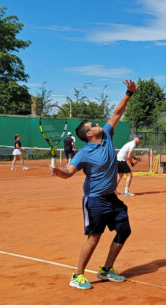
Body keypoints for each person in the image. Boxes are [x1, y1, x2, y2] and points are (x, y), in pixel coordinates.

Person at [49, 80, 139, 290]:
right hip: (95, 200)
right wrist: (58, 171)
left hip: (111, 198)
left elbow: (117, 114)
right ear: (88, 134)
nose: (99, 125)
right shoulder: (84, 153)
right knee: (94, 238)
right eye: (93, 126)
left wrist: (129, 93)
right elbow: (69, 172)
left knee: (124, 230)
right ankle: (77, 275)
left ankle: (107, 269)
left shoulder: (107, 135)